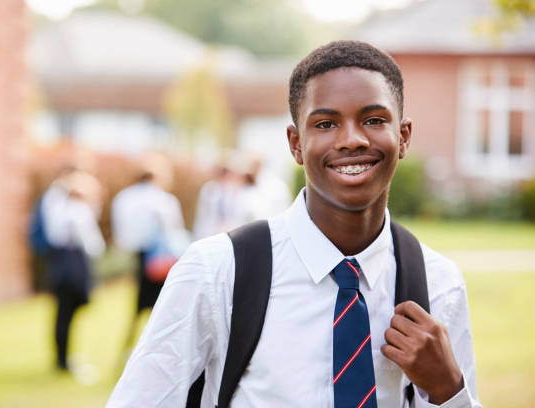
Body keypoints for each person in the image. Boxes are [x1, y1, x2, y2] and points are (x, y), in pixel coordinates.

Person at [106, 41, 481, 407]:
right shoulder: (216, 271)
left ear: (403, 137)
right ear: (295, 143)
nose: (351, 139)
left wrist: (450, 391)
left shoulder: (438, 285)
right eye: (326, 123)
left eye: (374, 119)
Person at [111, 154, 190, 350]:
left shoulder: (125, 197)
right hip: (158, 261)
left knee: (138, 307)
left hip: (137, 257)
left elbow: (121, 232)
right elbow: (174, 231)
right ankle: (159, 347)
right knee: (162, 306)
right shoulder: (163, 200)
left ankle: (130, 346)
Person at [42, 169, 106, 371]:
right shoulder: (81, 212)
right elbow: (93, 245)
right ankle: (64, 359)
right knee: (68, 313)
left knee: (62, 313)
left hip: (59, 265)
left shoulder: (59, 209)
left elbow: (53, 237)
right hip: (75, 267)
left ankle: (61, 357)